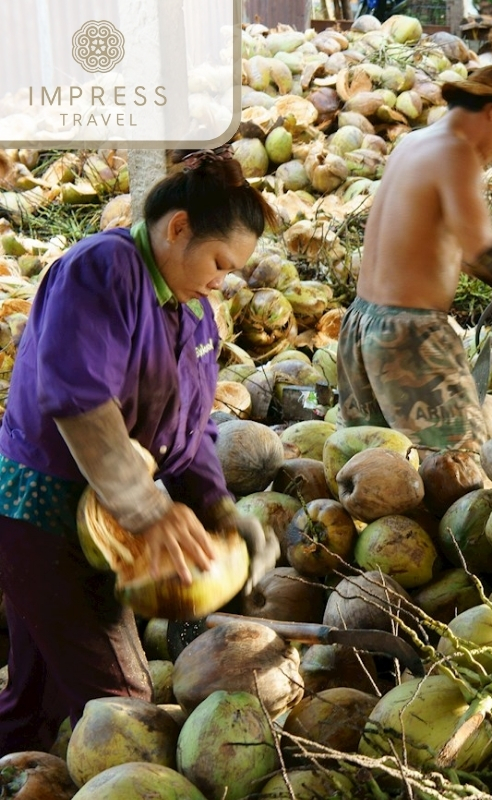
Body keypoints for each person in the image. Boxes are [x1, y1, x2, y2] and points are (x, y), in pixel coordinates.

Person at [0, 147, 280, 754]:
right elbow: (79, 401)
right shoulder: (101, 270)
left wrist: (223, 513)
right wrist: (148, 508)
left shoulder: (195, 316)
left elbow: (186, 440)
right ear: (178, 228)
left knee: (34, 702)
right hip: (43, 521)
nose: (221, 280)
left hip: (106, 538)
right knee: (127, 712)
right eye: (219, 261)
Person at [338, 65, 492, 453]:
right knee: (460, 471)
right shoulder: (456, 152)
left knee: (383, 470)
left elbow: (454, 250)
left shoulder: (415, 142)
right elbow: (482, 252)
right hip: (408, 338)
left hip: (361, 325)